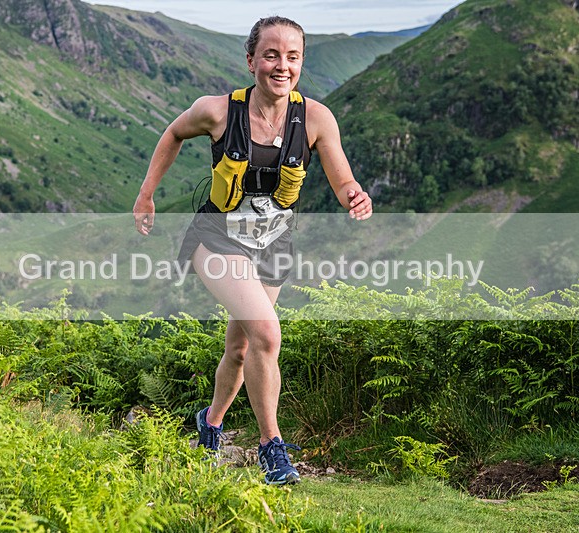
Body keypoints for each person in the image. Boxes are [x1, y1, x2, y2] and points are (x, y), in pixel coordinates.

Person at [132, 16, 372, 485]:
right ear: (251, 60)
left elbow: (343, 177)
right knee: (267, 335)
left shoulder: (317, 119)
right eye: (271, 54)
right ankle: (271, 446)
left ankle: (211, 423)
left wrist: (354, 196)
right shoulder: (218, 111)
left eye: (292, 56)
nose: (281, 65)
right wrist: (146, 195)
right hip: (217, 238)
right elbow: (173, 135)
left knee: (242, 348)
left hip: (274, 241)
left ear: (301, 62)